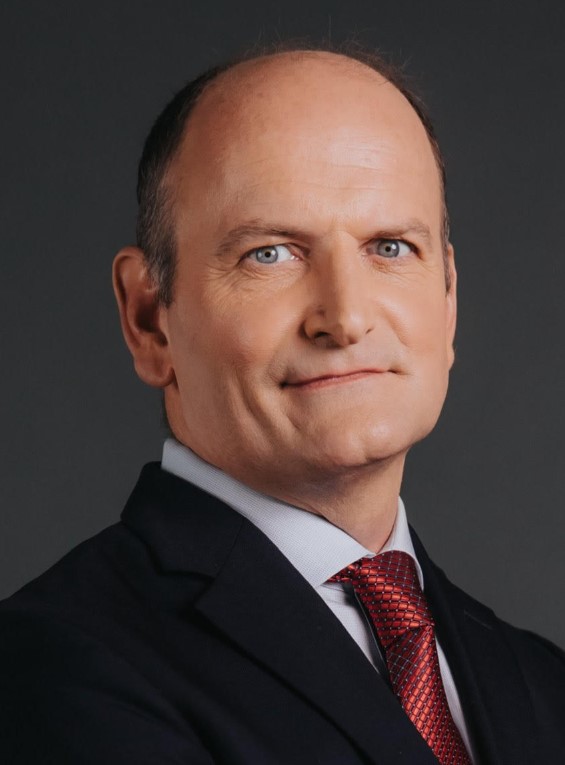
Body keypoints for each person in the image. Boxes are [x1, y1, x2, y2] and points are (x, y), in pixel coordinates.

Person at [1, 45, 564, 765]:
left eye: (390, 247)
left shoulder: (541, 681)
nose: (346, 317)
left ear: (448, 300)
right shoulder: (50, 664)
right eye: (269, 253)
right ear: (149, 320)